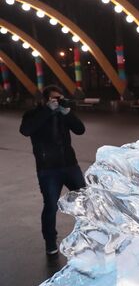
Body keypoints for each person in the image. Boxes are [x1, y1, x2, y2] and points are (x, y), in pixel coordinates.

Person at [19, 85, 86, 257]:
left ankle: (89, 235)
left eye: (60, 97)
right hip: (48, 170)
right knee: (50, 206)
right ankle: (50, 242)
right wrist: (48, 111)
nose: (58, 101)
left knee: (86, 202)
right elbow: (26, 130)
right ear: (45, 100)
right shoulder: (34, 114)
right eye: (54, 98)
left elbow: (80, 130)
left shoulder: (62, 114)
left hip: (70, 166)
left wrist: (67, 113)